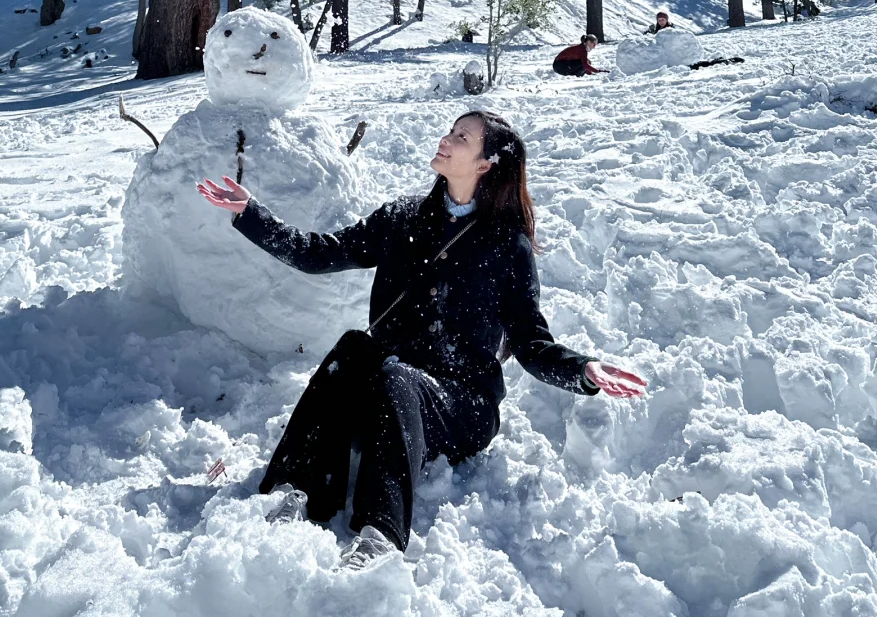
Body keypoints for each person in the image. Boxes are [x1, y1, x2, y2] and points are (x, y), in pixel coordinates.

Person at [195, 111, 646, 570]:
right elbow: (321, 253)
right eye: (450, 131)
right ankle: (296, 492)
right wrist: (253, 215)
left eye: (462, 137)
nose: (446, 140)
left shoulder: (507, 246)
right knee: (353, 348)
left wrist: (582, 370)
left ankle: (380, 533)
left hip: (461, 403)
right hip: (390, 389)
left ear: (486, 164)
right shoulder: (403, 217)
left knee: (397, 376)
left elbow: (530, 342)